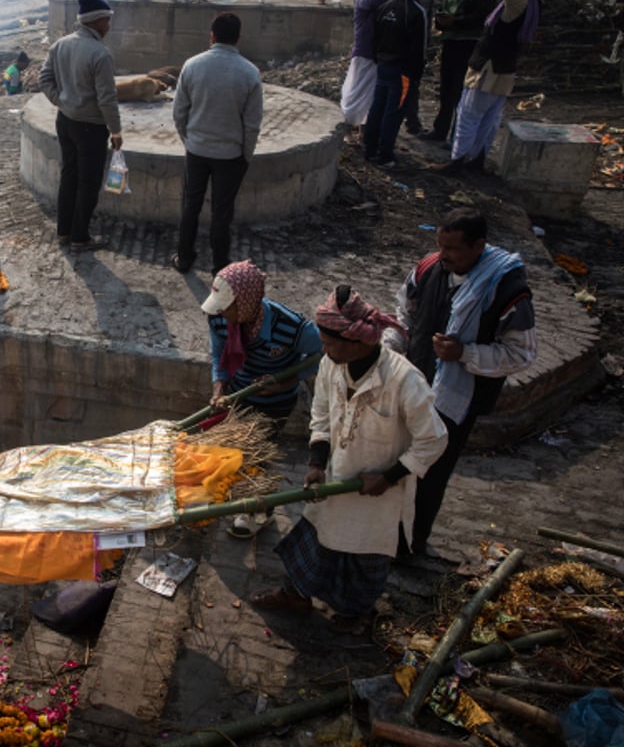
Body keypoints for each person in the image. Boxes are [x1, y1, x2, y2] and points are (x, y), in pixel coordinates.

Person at [250, 286, 448, 634]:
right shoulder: (331, 365)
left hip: (378, 493)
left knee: (363, 557)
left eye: (330, 343)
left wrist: (389, 476)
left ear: (359, 341)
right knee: (313, 537)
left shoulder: (404, 380)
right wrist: (316, 462)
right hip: (336, 477)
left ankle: (357, 614)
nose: (323, 351)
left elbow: (434, 439)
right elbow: (322, 414)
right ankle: (295, 594)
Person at [384, 209, 535, 558]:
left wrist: (465, 353)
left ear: (478, 246)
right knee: (396, 464)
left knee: (430, 474)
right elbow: (404, 312)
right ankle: (383, 536)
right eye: (440, 245)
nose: (444, 255)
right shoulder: (428, 269)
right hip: (413, 382)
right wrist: (394, 344)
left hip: (457, 401)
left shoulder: (508, 291)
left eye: (452, 248)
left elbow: (521, 354)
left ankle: (411, 545)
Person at [443, 0, 557, 173]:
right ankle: (477, 159)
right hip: (505, 68)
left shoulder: (518, 3)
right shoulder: (535, 1)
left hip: (489, 68)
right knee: (490, 119)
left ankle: (458, 161)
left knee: (468, 116)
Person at [172, 12, 262, 275]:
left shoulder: (192, 65)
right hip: (231, 155)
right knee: (222, 213)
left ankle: (185, 257)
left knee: (191, 205)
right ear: (238, 38)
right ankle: (220, 265)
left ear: (211, 35)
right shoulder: (249, 73)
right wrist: (246, 155)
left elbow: (179, 112)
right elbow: (252, 123)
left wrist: (189, 140)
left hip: (197, 150)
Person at [39, 0, 122, 251]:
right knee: (88, 183)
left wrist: (61, 101)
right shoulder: (100, 54)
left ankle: (64, 231)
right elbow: (107, 98)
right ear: (96, 21)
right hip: (90, 127)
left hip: (65, 121)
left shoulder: (61, 45)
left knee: (69, 176)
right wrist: (116, 130)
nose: (109, 26)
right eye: (107, 20)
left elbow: (44, 79)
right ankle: (80, 237)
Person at [199, 260, 321, 421]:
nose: (220, 312)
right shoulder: (218, 318)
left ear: (245, 302)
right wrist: (219, 391)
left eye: (226, 307)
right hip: (236, 398)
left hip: (276, 406)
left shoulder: (291, 326)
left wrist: (283, 384)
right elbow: (218, 355)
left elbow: (323, 352)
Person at [362, 0, 428, 169]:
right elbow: (419, 48)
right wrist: (416, 74)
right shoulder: (416, 11)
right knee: (394, 111)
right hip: (403, 71)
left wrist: (378, 58)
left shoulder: (386, 6)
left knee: (377, 108)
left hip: (383, 65)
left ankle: (370, 149)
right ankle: (385, 155)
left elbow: (375, 38)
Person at [421, 0, 495, 143]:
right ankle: (440, 130)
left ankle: (457, 136)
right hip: (450, 45)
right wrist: (441, 22)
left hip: (469, 46)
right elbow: (445, 16)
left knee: (461, 93)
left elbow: (483, 17)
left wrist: (456, 21)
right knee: (446, 91)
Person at [339, 0, 395, 140]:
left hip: (381, 53)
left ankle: (364, 129)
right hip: (365, 50)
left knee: (371, 96)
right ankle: (346, 128)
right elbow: (370, 3)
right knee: (355, 91)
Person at [399, 0, 435, 136]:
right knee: (408, 90)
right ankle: (410, 123)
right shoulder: (408, 2)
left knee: (406, 90)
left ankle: (409, 122)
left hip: (399, 55)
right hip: (406, 55)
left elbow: (427, 22)